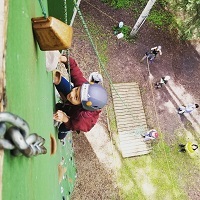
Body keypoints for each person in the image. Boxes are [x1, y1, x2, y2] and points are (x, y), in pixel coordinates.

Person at [53, 56, 108, 140]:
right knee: (58, 79)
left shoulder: (83, 119)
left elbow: (72, 124)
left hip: (74, 117)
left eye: (76, 97)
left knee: (62, 129)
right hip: (73, 105)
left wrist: (64, 118)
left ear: (84, 105)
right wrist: (64, 59)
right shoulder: (84, 89)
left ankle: (61, 137)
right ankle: (64, 105)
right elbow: (75, 70)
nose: (72, 93)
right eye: (77, 89)